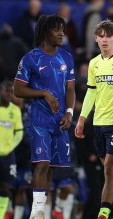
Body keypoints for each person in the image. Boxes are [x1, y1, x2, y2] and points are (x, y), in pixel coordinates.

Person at [14, 15, 75, 219]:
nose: (61, 33)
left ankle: (42, 211)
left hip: (60, 121)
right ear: (44, 32)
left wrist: (69, 112)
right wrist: (43, 93)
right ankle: (36, 213)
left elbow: (71, 90)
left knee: (50, 168)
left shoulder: (66, 57)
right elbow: (18, 89)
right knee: (41, 164)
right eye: (56, 30)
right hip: (39, 120)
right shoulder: (31, 58)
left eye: (63, 30)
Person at [75, 20, 113, 219]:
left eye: (108, 36)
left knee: (109, 167)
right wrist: (82, 119)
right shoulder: (94, 63)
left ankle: (104, 210)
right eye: (100, 36)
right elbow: (91, 93)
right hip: (98, 123)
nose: (104, 39)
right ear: (96, 39)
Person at [0, 80, 23, 219]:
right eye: (6, 90)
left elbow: (19, 132)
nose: (9, 94)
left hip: (8, 156)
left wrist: (10, 147)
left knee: (5, 187)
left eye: (11, 91)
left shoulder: (15, 110)